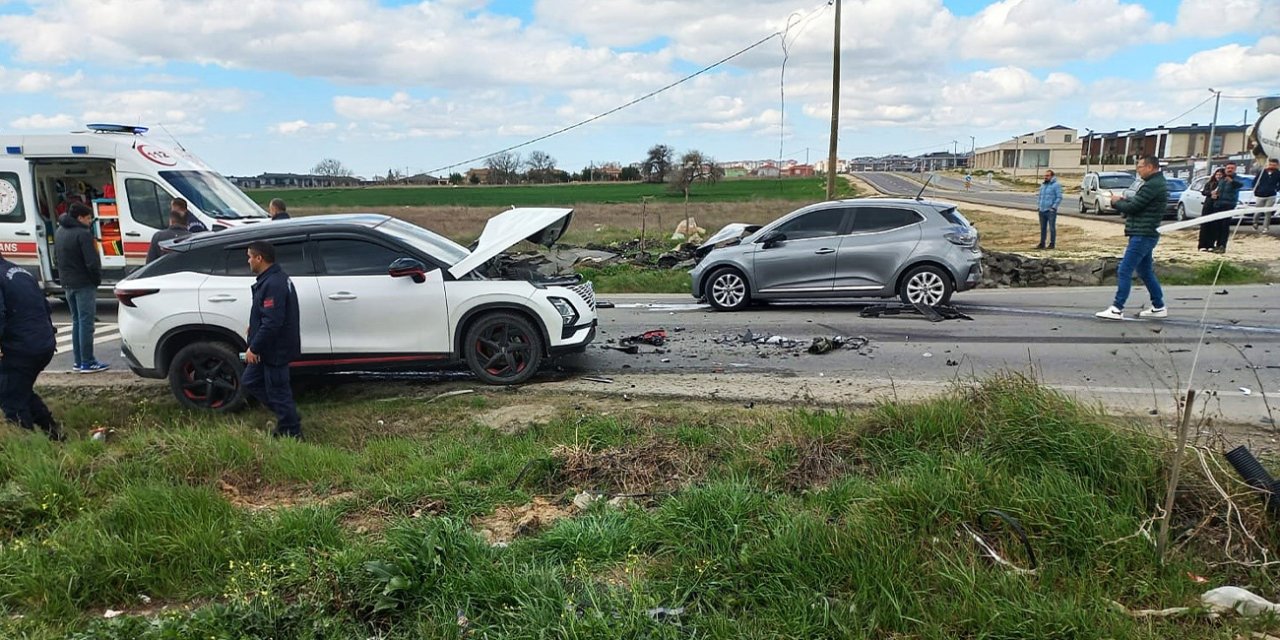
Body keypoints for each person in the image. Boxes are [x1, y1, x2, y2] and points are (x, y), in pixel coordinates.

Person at [1096, 155, 1168, 321]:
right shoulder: (1153, 184)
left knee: (1124, 269)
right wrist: (1125, 200)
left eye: (1140, 166)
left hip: (1143, 234)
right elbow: (1139, 203)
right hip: (1145, 232)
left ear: (1150, 167)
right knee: (1144, 271)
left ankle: (1117, 308)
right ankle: (1158, 306)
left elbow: (1134, 207)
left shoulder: (1153, 185)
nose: (1138, 169)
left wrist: (1115, 202)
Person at [0, 253, 63, 440]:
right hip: (43, 342)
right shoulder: (22, 272)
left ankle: (27, 447)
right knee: (20, 390)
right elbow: (45, 307)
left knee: (10, 397)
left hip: (22, 347)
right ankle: (54, 435)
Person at [243, 240, 302, 439]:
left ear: (260, 258)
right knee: (250, 380)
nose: (248, 260)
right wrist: (254, 327)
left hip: (274, 349)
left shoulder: (274, 283)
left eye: (250, 256)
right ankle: (288, 415)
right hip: (268, 347)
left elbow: (273, 322)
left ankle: (292, 432)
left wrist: (255, 348)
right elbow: (267, 316)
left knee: (278, 390)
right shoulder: (270, 279)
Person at [54, 202, 109, 373]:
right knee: (86, 323)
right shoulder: (83, 234)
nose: (90, 221)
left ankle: (78, 361)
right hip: (84, 283)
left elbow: (56, 258)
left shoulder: (60, 231)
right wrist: (96, 280)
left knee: (77, 322)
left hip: (67, 282)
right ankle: (88, 361)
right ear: (80, 218)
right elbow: (92, 262)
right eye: (88, 218)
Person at [1209, 162, 1243, 252]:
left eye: (1232, 168)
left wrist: (1232, 181)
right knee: (1216, 226)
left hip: (1228, 205)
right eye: (1228, 168)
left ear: (1235, 169)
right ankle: (1216, 245)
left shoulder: (1237, 178)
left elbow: (1240, 185)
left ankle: (1222, 246)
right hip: (1218, 204)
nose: (1229, 169)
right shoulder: (1222, 179)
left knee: (1224, 226)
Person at [1196, 168, 1224, 251]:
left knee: (1214, 226)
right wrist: (1210, 193)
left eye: (1220, 175)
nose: (1218, 176)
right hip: (1208, 206)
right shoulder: (1210, 183)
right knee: (1205, 226)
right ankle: (1202, 245)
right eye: (1217, 174)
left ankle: (1210, 244)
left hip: (1217, 206)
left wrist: (1218, 196)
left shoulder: (1223, 184)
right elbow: (1204, 191)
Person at [1035, 170, 1062, 249]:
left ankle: (1052, 244)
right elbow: (1040, 196)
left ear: (1052, 176)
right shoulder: (1043, 185)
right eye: (1045, 176)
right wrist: (1039, 206)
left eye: (1047, 176)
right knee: (1043, 228)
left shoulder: (1056, 185)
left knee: (1052, 228)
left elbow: (1059, 197)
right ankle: (1042, 243)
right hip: (1042, 210)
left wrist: (1054, 207)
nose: (1045, 177)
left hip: (1050, 211)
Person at [1254, 158, 1278, 233]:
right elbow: (1255, 181)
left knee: (1268, 212)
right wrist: (1256, 190)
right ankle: (1255, 222)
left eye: (1274, 165)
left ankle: (1266, 227)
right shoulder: (1262, 172)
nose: (1272, 166)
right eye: (1271, 164)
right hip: (1261, 194)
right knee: (1258, 211)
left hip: (1271, 195)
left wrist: (1276, 189)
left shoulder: (1278, 173)